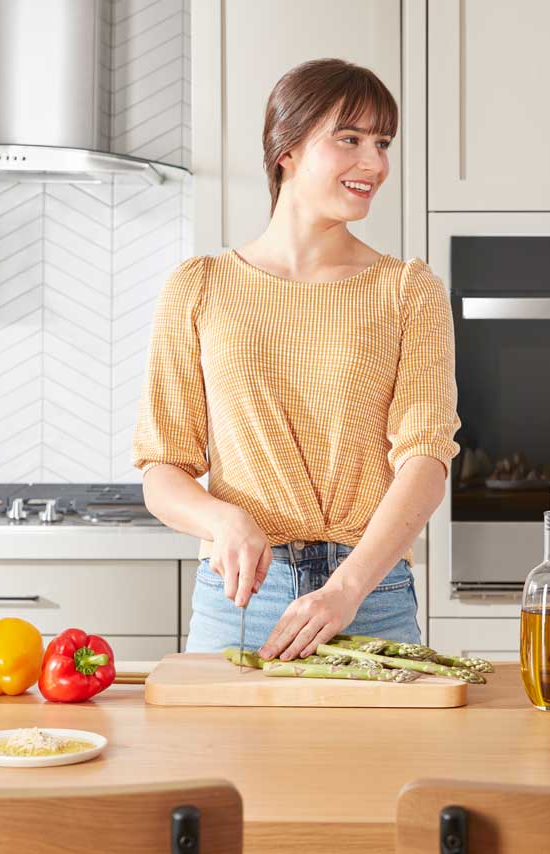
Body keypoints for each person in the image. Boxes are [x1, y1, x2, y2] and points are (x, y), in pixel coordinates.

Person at [132, 57, 461, 663]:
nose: (376, 163)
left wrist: (346, 589)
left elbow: (426, 459)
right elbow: (162, 469)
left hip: (370, 595)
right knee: (221, 764)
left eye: (383, 142)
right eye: (351, 139)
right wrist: (223, 520)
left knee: (376, 763)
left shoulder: (408, 290)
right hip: (239, 597)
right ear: (287, 149)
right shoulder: (199, 287)